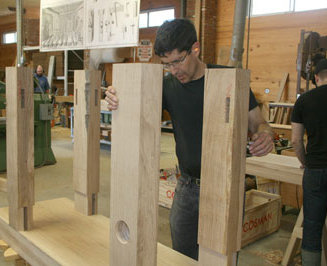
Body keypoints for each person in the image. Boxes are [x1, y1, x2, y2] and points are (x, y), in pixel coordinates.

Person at [105, 19, 274, 260]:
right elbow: (135, 106)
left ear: (195, 48)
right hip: (186, 187)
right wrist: (115, 96)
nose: (174, 70)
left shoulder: (229, 80)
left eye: (178, 61)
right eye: (167, 64)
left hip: (225, 187)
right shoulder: (167, 86)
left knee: (219, 257)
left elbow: (259, 123)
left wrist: (265, 135)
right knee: (181, 257)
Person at [291, 58, 327, 266]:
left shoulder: (305, 100)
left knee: (312, 228)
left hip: (316, 171)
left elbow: (296, 140)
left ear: (316, 78)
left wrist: (306, 162)